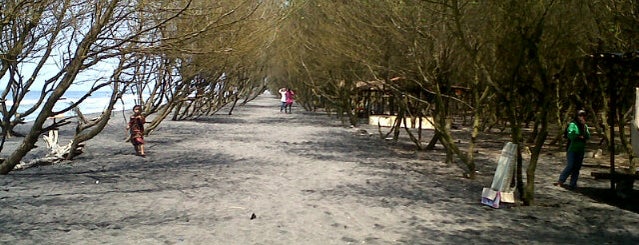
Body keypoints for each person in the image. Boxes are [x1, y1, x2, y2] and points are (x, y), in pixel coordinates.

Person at [555, 110, 590, 189]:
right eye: (580, 116)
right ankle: (561, 181)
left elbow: (588, 136)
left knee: (577, 167)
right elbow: (570, 135)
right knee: (570, 166)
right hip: (572, 149)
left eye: (583, 116)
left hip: (580, 149)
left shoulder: (585, 126)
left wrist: (584, 128)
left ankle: (573, 184)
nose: (582, 118)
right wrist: (578, 136)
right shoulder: (573, 124)